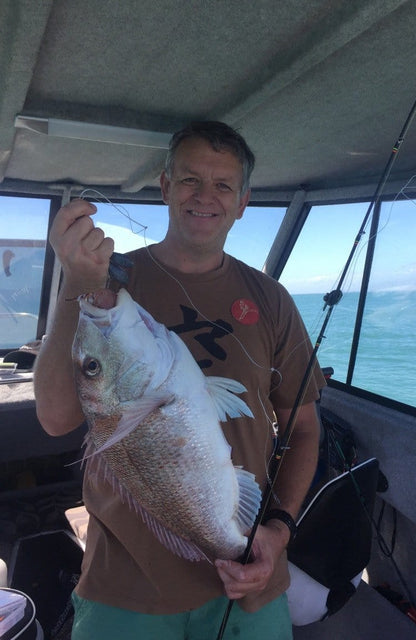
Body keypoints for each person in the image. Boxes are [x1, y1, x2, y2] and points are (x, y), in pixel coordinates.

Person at [34, 121, 324, 639]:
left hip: (250, 581)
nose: (204, 197)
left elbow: (302, 428)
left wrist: (277, 533)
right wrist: (73, 282)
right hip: (125, 585)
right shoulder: (102, 281)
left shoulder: (272, 299)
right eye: (190, 180)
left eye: (223, 185)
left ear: (243, 202)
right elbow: (56, 418)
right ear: (166, 187)